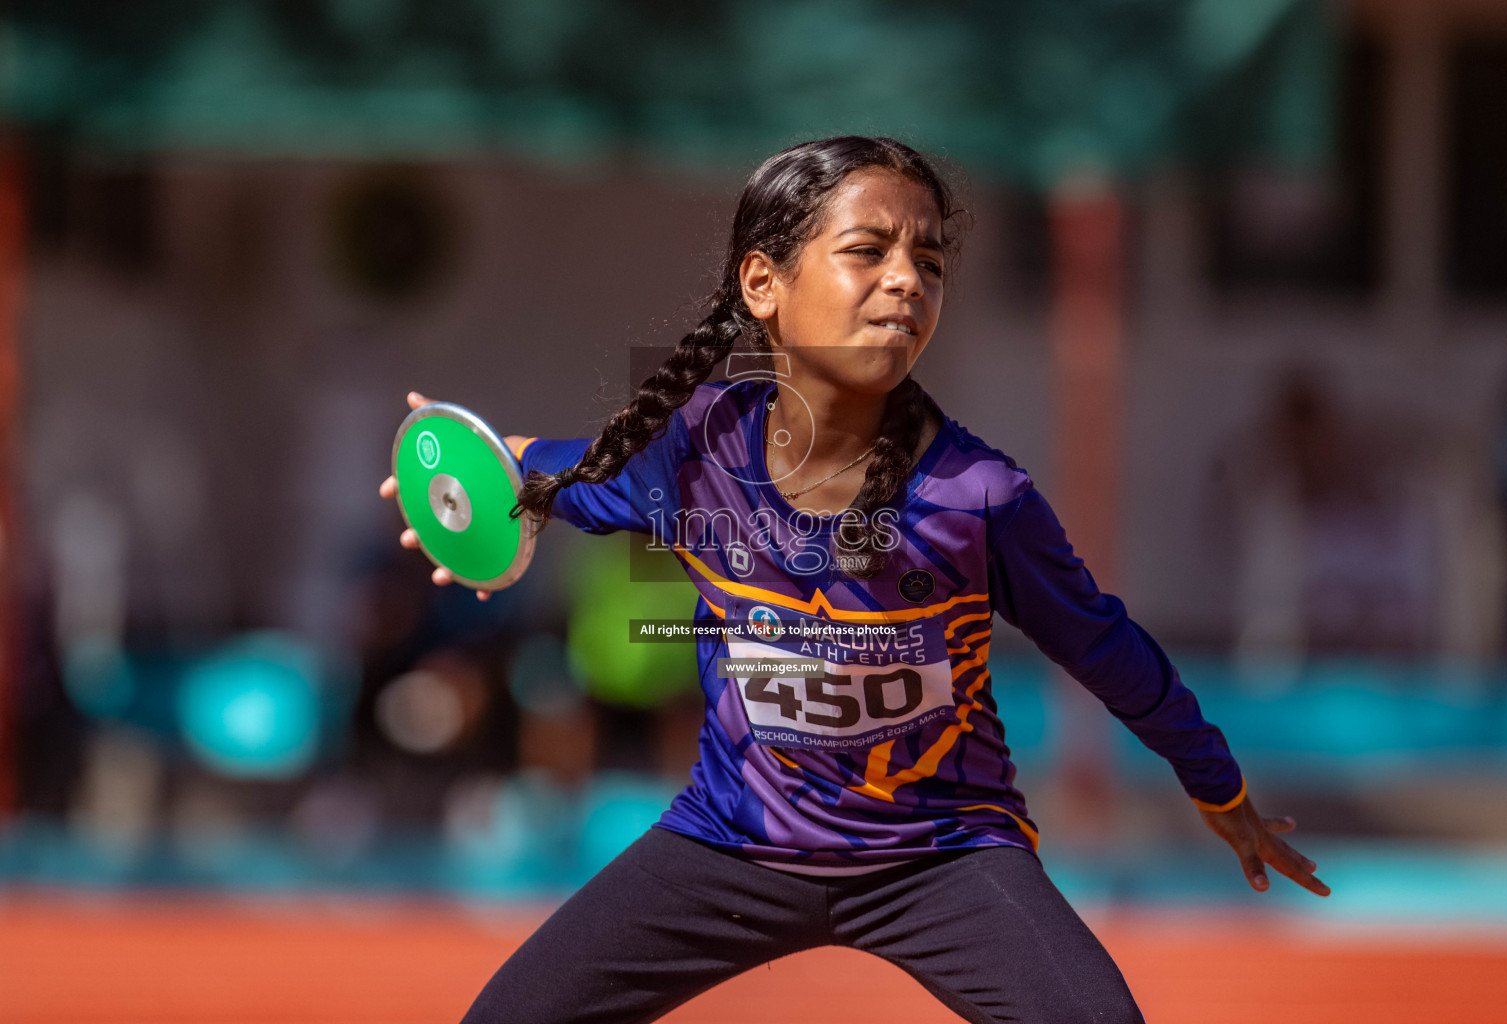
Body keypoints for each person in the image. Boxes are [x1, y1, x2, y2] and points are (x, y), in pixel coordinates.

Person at [380, 136, 1328, 1024]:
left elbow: (1109, 650)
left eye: (931, 264)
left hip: (942, 854)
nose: (906, 281)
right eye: (867, 250)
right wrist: (455, 484)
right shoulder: (695, 450)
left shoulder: (979, 496)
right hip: (729, 843)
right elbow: (540, 480)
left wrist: (1218, 787)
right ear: (763, 281)